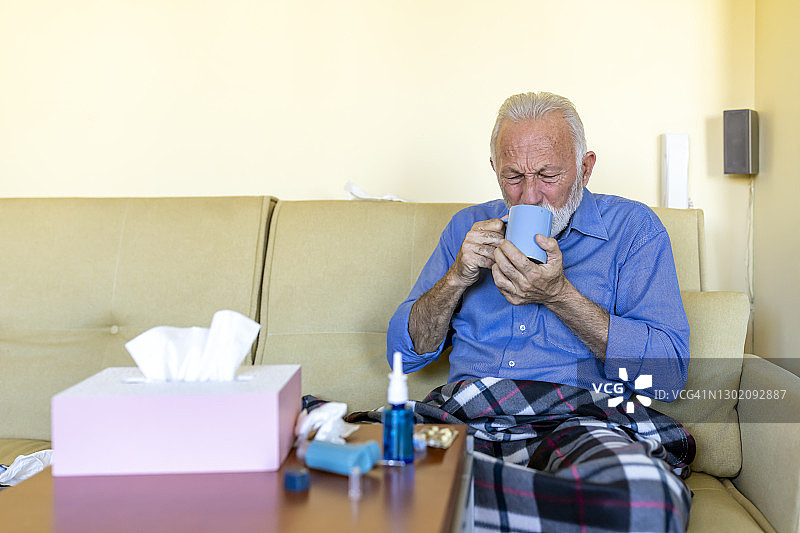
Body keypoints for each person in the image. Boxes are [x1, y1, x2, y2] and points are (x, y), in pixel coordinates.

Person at [385, 91, 694, 532]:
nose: (529, 197)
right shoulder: (466, 229)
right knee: (359, 474)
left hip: (580, 423)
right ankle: (519, 505)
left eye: (548, 175)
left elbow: (668, 374)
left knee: (646, 502)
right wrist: (456, 277)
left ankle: (461, 504)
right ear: (494, 168)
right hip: (464, 417)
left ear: (585, 168)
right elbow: (403, 355)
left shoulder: (633, 230)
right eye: (513, 176)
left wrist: (559, 295)